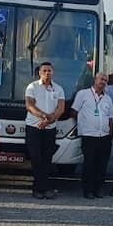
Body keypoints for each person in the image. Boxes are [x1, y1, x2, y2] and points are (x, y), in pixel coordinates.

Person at [70, 72, 113, 199]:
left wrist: (109, 134)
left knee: (102, 165)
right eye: (101, 79)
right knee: (89, 163)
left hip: (104, 136)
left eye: (105, 80)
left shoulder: (107, 99)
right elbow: (74, 111)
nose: (103, 82)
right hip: (89, 135)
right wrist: (84, 123)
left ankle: (98, 189)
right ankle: (88, 190)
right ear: (95, 80)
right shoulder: (83, 94)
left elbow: (111, 118)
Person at [24, 61, 64, 200]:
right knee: (36, 158)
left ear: (53, 72)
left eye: (50, 70)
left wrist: (50, 120)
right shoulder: (32, 87)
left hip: (50, 129)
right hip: (34, 127)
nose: (47, 73)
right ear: (39, 73)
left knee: (47, 159)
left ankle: (44, 188)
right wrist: (43, 117)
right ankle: (38, 188)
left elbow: (61, 108)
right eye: (44, 70)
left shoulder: (58, 89)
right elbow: (29, 105)